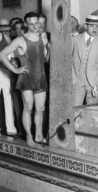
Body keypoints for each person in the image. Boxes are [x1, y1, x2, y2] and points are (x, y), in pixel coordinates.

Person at [0, 12, 49, 146]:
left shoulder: (42, 39)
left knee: (41, 108)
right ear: (26, 24)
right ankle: (29, 136)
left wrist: (50, 48)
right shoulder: (20, 40)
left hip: (41, 77)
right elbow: (2, 54)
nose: (34, 26)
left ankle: (39, 136)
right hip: (26, 78)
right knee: (28, 107)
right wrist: (15, 69)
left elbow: (45, 59)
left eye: (36, 23)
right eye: (31, 24)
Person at [72, 15, 98, 106]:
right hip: (76, 81)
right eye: (92, 26)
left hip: (93, 83)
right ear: (86, 26)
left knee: (92, 111)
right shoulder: (74, 40)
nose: (94, 29)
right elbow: (67, 61)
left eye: (97, 26)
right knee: (74, 109)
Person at [0, 18, 17, 136]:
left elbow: (11, 57)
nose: (6, 31)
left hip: (5, 70)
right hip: (4, 69)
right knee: (7, 98)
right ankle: (8, 128)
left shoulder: (7, 39)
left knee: (8, 97)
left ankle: (10, 128)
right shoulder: (7, 38)